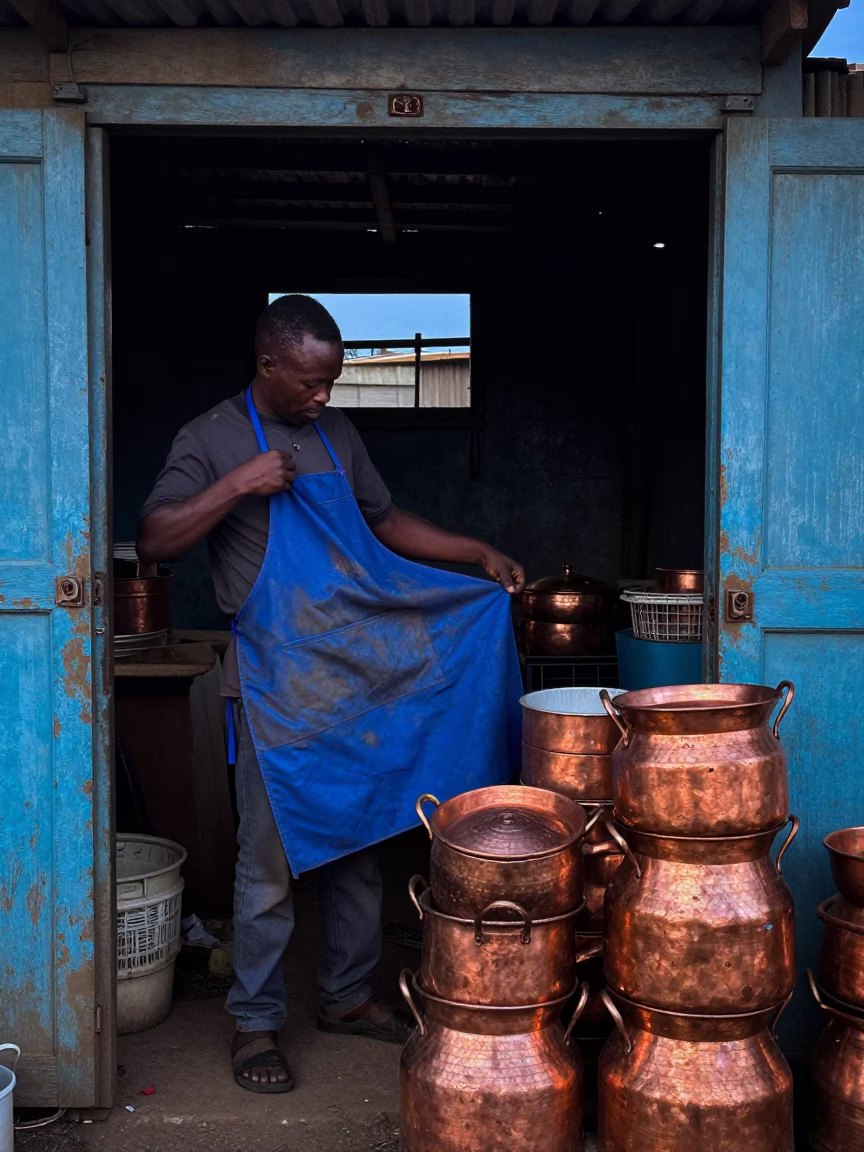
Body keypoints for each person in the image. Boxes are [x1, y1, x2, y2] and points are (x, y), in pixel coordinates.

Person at [137, 294, 525, 1093]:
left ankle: (346, 997)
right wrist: (238, 485)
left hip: (356, 679)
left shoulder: (335, 433)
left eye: (333, 383)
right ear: (269, 363)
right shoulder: (210, 438)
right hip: (278, 689)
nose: (323, 398)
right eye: (311, 383)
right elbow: (156, 539)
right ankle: (254, 1021)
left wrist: (474, 552)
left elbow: (385, 525)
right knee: (270, 866)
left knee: (359, 844)